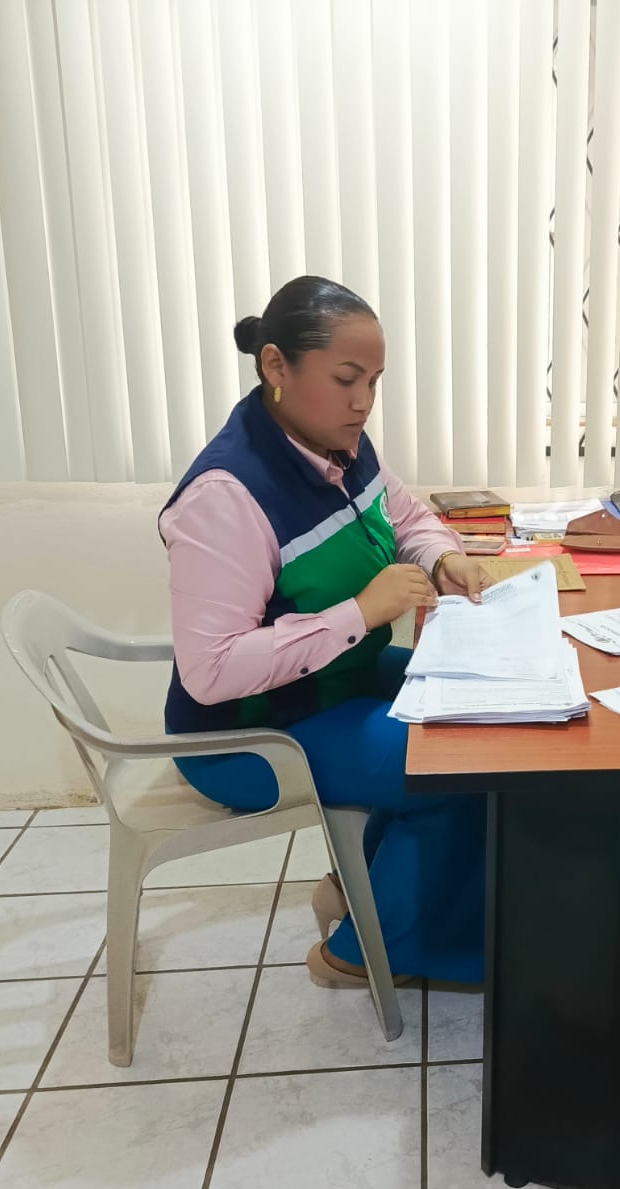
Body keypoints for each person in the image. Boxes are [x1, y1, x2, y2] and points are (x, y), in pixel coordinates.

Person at [160, 275, 490, 986]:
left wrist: (444, 558)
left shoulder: (341, 445)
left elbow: (408, 517)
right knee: (461, 765)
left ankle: (363, 890)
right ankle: (366, 954)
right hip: (249, 731)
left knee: (483, 711)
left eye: (374, 381)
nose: (363, 401)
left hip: (334, 684)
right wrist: (359, 614)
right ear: (276, 366)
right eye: (346, 379)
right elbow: (210, 672)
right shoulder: (225, 496)